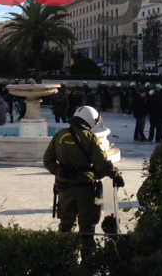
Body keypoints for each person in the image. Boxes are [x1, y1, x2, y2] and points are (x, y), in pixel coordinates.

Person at [43, 106, 125, 259]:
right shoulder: (90, 137)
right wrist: (115, 175)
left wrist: (60, 171)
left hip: (64, 189)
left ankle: (62, 259)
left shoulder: (60, 135)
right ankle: (87, 263)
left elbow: (47, 160)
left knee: (65, 225)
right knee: (87, 228)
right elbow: (102, 164)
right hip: (85, 190)